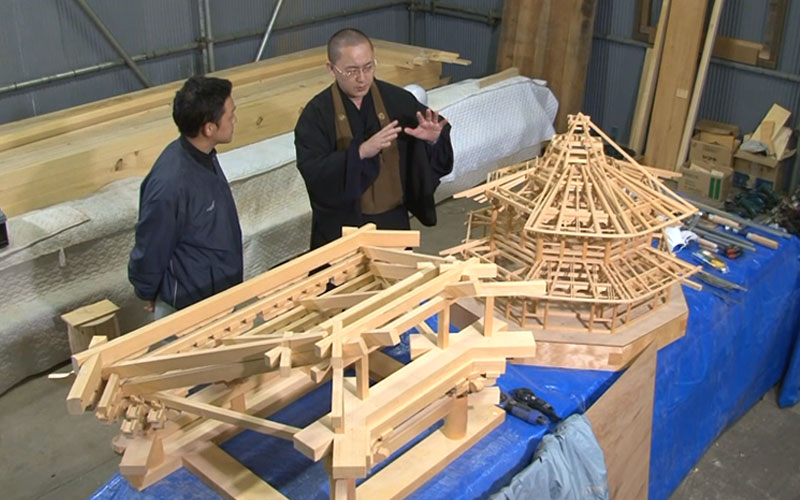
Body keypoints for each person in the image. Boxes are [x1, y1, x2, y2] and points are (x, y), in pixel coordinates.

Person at [294, 28, 454, 249]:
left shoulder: (397, 100)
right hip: (343, 227)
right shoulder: (316, 115)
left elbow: (429, 157)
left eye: (368, 67)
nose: (362, 78)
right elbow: (313, 170)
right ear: (331, 69)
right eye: (351, 71)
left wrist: (432, 140)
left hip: (393, 220)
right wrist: (359, 153)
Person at [128, 76, 243, 319]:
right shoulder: (171, 184)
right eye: (230, 116)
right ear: (209, 128)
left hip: (219, 293)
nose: (235, 120)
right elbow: (151, 245)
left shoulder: (204, 154)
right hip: (189, 307)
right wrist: (146, 290)